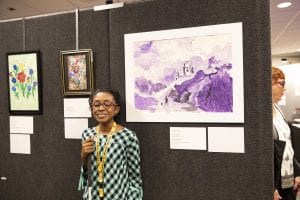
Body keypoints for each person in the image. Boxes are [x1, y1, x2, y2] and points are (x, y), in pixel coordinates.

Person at [78, 88, 143, 200]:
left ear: (116, 109)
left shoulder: (128, 136)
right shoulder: (87, 134)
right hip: (93, 196)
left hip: (117, 196)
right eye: (96, 104)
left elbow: (135, 178)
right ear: (91, 108)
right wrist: (83, 156)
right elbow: (86, 173)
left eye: (107, 104)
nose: (101, 108)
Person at [272, 67, 300, 200]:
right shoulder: (259, 114)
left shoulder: (278, 109)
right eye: (281, 83)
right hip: (275, 183)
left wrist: (297, 173)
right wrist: (270, 187)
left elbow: (288, 146)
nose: (285, 89)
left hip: (288, 181)